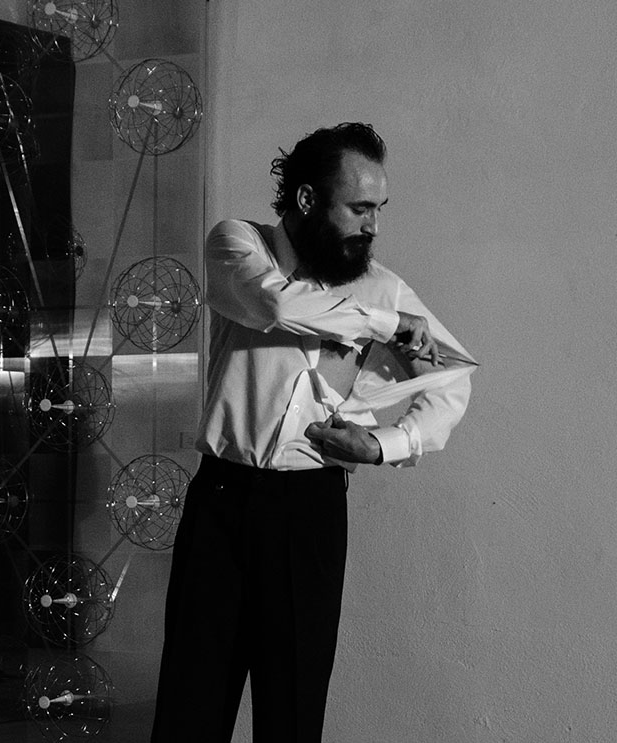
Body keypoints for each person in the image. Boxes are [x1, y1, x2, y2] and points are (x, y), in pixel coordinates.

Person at [150, 122, 476, 743]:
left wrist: (384, 445)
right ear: (307, 200)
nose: (372, 226)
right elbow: (276, 306)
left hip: (310, 509)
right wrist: (384, 324)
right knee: (190, 706)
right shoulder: (238, 244)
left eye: (378, 209)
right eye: (359, 208)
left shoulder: (383, 285)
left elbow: (451, 377)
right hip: (222, 503)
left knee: (294, 711)